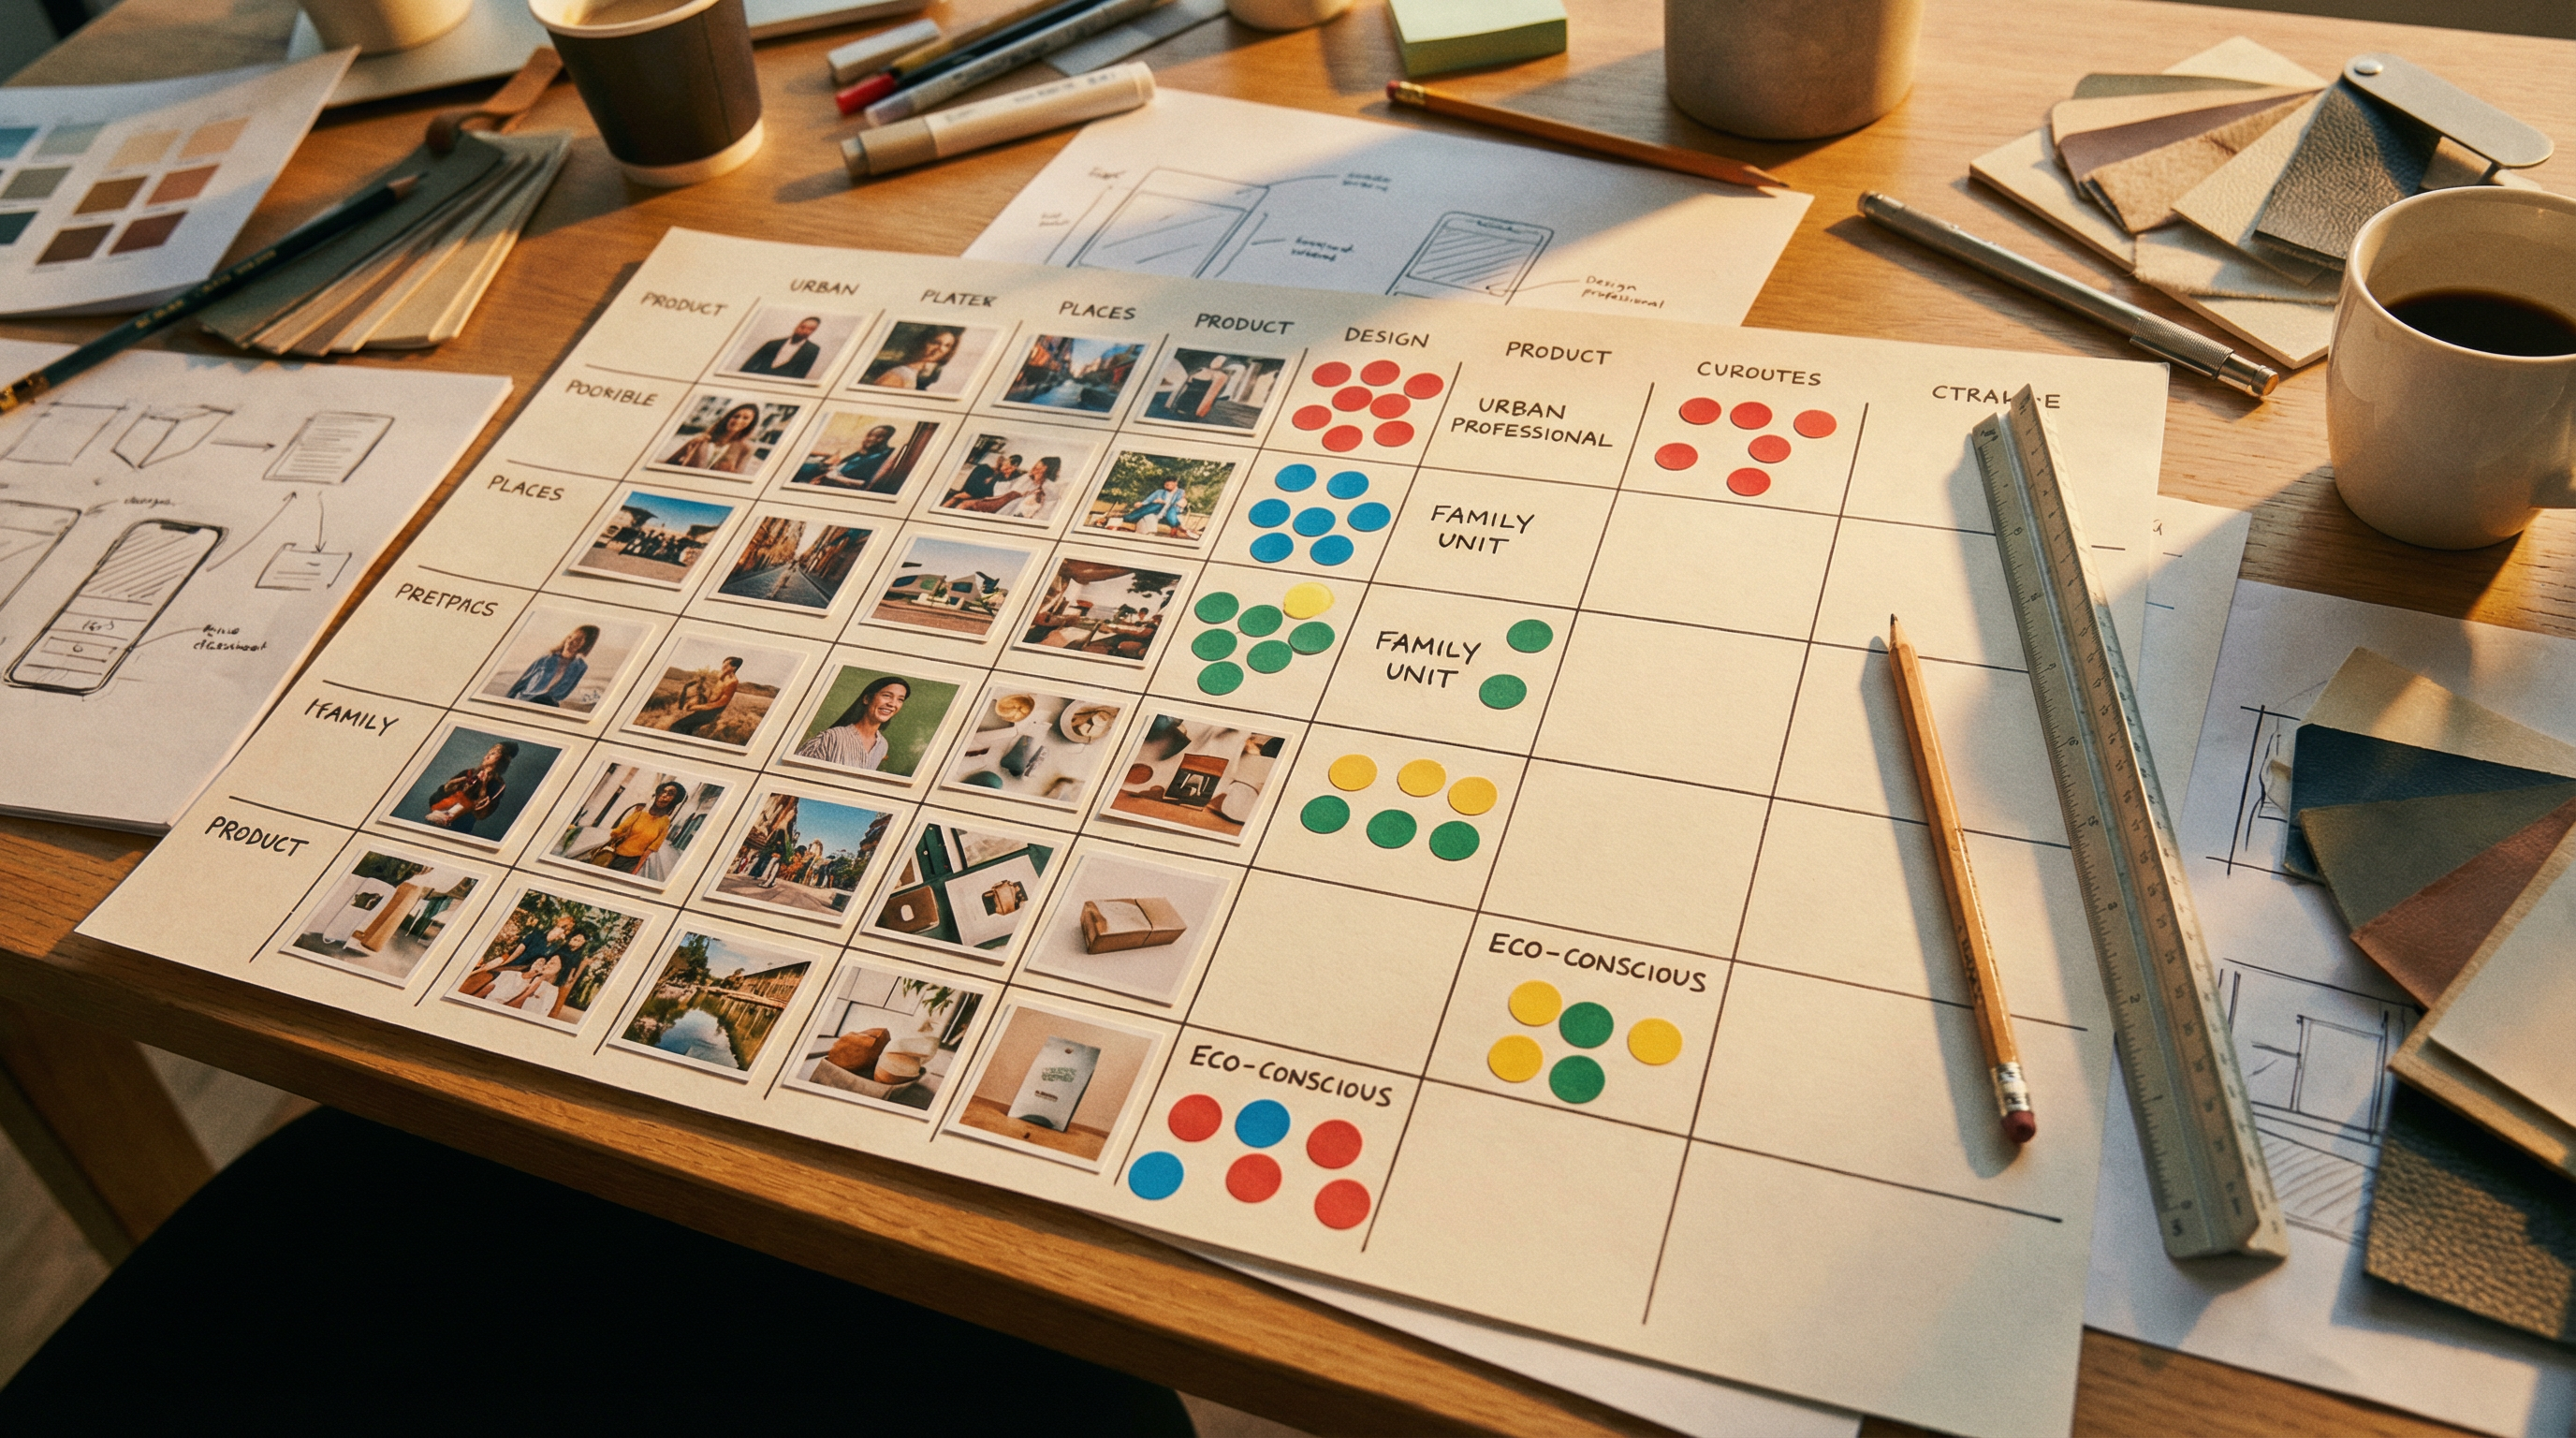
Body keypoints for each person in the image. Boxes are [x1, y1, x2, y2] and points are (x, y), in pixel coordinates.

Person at [797, 676, 909, 771]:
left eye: (900, 699)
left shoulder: (882, 745)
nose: (893, 704)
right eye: (887, 695)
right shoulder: (830, 737)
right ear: (866, 699)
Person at [458, 911, 567, 999]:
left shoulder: (552, 948)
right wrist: (504, 964)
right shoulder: (536, 934)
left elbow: (540, 964)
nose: (561, 933)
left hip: (521, 970)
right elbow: (517, 951)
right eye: (561, 929)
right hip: (511, 959)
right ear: (555, 927)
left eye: (564, 932)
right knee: (485, 970)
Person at [424, 741, 517, 836]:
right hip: (438, 813)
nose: (487, 756)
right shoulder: (468, 773)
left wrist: (484, 785)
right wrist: (449, 786)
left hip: (460, 827)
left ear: (502, 759)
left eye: (493, 754)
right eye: (487, 753)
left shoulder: (498, 785)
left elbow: (483, 813)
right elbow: (437, 796)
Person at [594, 781, 687, 873]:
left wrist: (634, 871)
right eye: (663, 791)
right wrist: (618, 833)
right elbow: (617, 831)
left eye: (670, 794)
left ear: (675, 800)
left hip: (631, 863)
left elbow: (649, 851)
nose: (663, 795)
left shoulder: (665, 823)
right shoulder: (640, 813)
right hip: (612, 855)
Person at [505, 625, 599, 708]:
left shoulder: (580, 667)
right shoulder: (546, 659)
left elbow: (564, 693)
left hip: (548, 704)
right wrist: (506, 703)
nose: (570, 642)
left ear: (586, 644)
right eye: (570, 637)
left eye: (577, 640)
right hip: (524, 700)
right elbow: (521, 683)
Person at [665, 404, 762, 474]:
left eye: (746, 418)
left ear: (750, 423)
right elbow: (670, 462)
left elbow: (737, 479)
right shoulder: (702, 438)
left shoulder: (747, 448)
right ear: (728, 418)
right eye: (736, 416)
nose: (738, 420)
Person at [663, 657, 740, 739]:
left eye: (727, 665)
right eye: (723, 664)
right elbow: (713, 693)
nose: (723, 666)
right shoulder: (722, 676)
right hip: (705, 709)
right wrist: (698, 699)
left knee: (676, 726)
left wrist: (698, 707)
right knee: (688, 730)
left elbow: (722, 702)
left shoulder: (733, 682)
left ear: (733, 668)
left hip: (711, 713)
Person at [866, 328, 959, 390]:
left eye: (947, 345)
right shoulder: (899, 373)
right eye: (935, 342)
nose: (940, 349)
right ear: (922, 342)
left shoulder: (920, 374)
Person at [737, 316, 824, 379]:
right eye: (802, 327)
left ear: (814, 331)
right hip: (757, 379)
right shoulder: (773, 343)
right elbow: (750, 363)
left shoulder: (812, 350)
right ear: (797, 326)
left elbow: (801, 373)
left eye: (810, 329)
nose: (804, 331)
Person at [1115, 477, 1190, 536]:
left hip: (1168, 516)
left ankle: (1126, 518)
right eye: (1165, 484)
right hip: (1156, 513)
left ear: (1175, 483)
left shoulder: (1180, 492)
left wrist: (1181, 502)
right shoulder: (1159, 492)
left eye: (1168, 484)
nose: (1165, 486)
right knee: (1153, 510)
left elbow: (1182, 503)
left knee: (1168, 509)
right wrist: (1142, 503)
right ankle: (1148, 533)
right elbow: (1148, 501)